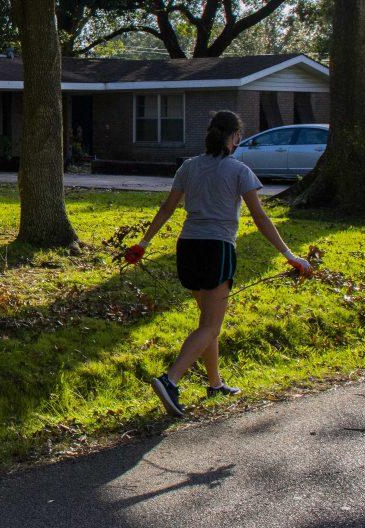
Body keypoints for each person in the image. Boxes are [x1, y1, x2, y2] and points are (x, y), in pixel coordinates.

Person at [125, 110, 313, 418]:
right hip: (217, 249)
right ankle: (169, 381)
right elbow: (261, 219)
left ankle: (215, 384)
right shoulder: (240, 171)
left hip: (187, 248)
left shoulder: (188, 167)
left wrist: (143, 244)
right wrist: (289, 255)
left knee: (207, 322)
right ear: (236, 137)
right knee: (212, 325)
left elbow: (167, 209)